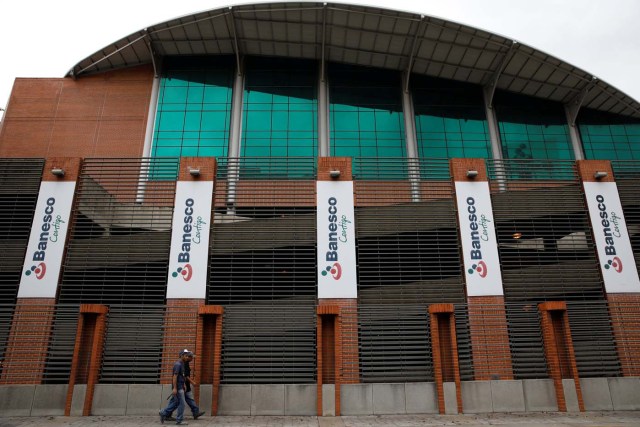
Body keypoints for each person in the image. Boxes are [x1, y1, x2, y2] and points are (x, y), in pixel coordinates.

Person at [166, 351, 205, 421]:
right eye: (190, 357)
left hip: (183, 385)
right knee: (178, 402)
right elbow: (180, 376)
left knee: (184, 400)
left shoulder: (184, 363)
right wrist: (176, 387)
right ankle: (166, 414)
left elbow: (183, 375)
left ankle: (195, 412)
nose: (192, 359)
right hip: (180, 386)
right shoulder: (181, 364)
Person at [159, 349, 192, 425]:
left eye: (187, 355)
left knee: (176, 403)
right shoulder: (178, 364)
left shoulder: (182, 364)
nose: (187, 357)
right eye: (185, 355)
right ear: (181, 356)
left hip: (181, 386)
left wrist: (184, 384)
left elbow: (182, 375)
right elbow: (175, 376)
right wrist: (175, 388)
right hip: (178, 387)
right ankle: (179, 420)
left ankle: (163, 413)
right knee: (182, 404)